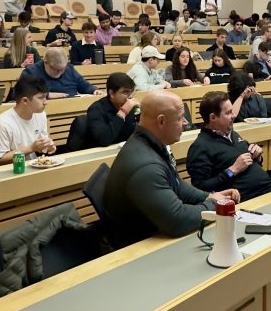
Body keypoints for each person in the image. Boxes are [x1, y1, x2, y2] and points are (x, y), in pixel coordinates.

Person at [102, 90, 238, 248]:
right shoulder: (146, 166)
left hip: (156, 230)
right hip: (141, 249)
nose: (186, 123)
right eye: (180, 118)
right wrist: (217, 206)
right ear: (161, 121)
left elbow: (176, 183)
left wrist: (209, 196)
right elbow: (178, 220)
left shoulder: (147, 143)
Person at [187, 91, 271, 199]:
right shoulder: (200, 147)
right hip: (247, 201)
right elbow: (201, 189)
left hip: (270, 190)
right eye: (228, 113)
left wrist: (257, 157)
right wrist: (232, 170)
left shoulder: (233, 134)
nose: (234, 116)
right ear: (213, 117)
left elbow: (251, 164)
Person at [0, 75, 55, 166]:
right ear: (25, 101)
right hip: (4, 175)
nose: (45, 102)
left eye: (46, 97)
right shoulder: (2, 124)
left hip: (31, 169)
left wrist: (47, 146)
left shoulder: (41, 115)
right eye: (41, 97)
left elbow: (41, 144)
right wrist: (31, 148)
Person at [85, 72, 140, 148]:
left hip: (124, 151)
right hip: (100, 153)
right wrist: (123, 112)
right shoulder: (96, 109)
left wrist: (142, 114)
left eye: (131, 93)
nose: (129, 97)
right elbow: (104, 140)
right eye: (125, 92)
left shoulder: (131, 107)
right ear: (112, 93)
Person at [22, 47, 100, 98]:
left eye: (63, 69)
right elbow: (21, 93)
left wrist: (94, 90)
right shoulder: (31, 72)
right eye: (56, 69)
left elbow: (83, 84)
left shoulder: (69, 69)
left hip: (72, 105)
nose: (60, 73)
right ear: (46, 62)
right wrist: (46, 95)